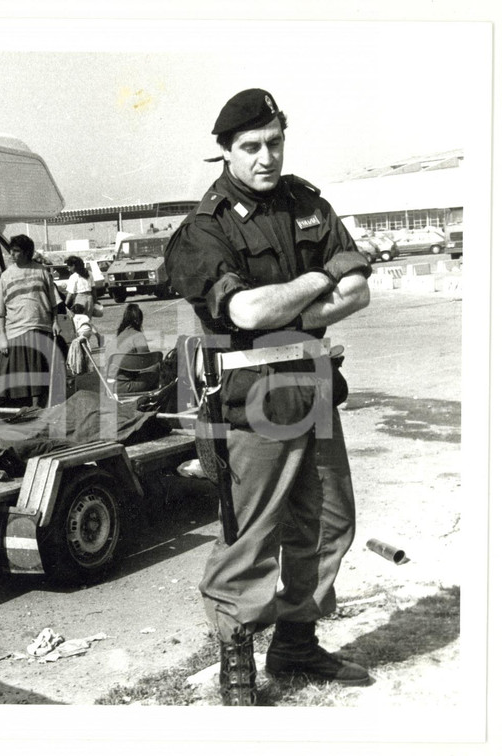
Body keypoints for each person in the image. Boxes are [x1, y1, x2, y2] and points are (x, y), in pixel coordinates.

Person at [164, 88, 373, 705]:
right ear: (225, 152)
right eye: (250, 147)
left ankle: (297, 643)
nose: (266, 157)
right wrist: (318, 279)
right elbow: (246, 308)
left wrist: (304, 299)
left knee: (330, 521)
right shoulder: (205, 229)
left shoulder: (308, 202)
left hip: (314, 391)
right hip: (252, 400)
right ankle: (238, 660)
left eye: (274, 143)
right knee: (251, 535)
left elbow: (358, 292)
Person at [0, 234, 62, 408]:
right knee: (16, 380)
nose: (12, 255)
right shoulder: (6, 276)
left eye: (16, 251)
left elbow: (54, 301)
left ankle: (38, 413)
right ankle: (20, 415)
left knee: (39, 377)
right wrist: (2, 337)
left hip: (41, 328)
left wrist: (55, 322)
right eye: (12, 251)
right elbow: (0, 311)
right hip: (16, 331)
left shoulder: (42, 271)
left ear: (27, 252)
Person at [112, 303, 158, 394]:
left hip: (112, 385)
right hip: (129, 386)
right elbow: (147, 362)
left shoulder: (118, 337)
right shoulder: (138, 336)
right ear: (138, 321)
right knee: (157, 366)